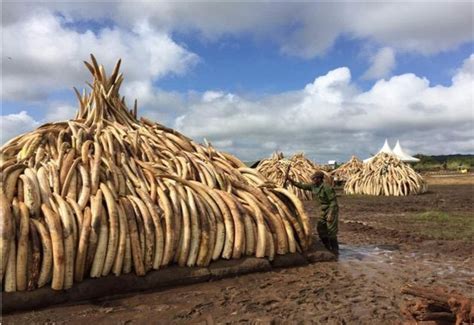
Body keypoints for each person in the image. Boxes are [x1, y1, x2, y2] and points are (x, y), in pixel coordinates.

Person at [288, 171, 339, 254]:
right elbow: (302, 186)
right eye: (313, 179)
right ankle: (326, 246)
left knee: (331, 230)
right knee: (320, 228)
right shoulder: (313, 186)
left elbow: (333, 202)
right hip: (322, 210)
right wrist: (292, 181)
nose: (313, 180)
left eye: (315, 178)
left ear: (319, 179)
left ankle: (335, 250)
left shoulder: (327, 188)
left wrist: (330, 214)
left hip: (331, 209)